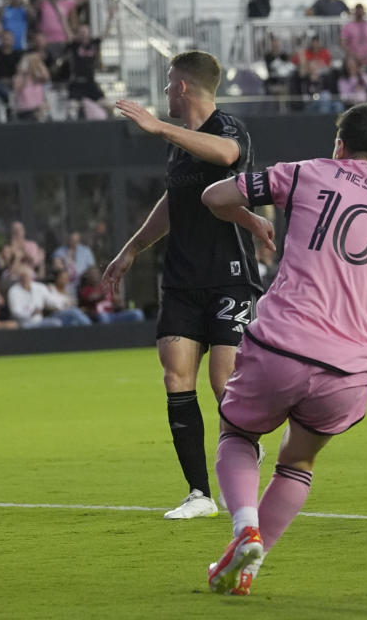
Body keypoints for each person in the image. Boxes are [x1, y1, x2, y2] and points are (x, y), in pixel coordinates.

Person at [202, 102, 367, 596]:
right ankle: (250, 563)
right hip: (349, 370)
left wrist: (250, 221)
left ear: (339, 145)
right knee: (298, 462)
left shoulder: (306, 173)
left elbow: (214, 194)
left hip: (280, 345)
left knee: (238, 434)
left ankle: (245, 528)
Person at [104, 51, 262, 520]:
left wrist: (158, 127)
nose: (167, 91)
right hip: (181, 278)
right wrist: (132, 248)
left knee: (223, 383)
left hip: (229, 273)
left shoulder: (227, 128)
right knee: (176, 376)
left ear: (185, 87)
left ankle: (246, 454)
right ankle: (199, 493)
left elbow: (228, 157)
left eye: (171, 82)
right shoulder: (179, 147)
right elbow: (173, 203)